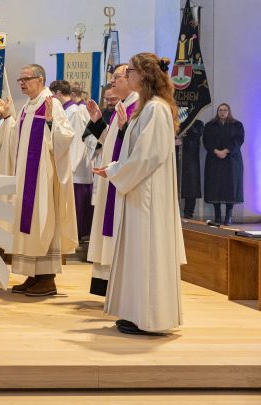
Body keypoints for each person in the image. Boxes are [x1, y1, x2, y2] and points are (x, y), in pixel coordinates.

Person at [93, 53, 186, 335]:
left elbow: (148, 156)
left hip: (147, 195)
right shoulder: (145, 108)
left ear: (144, 75)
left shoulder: (156, 109)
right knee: (136, 253)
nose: (126, 75)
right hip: (136, 191)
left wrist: (117, 171)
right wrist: (115, 167)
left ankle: (150, 318)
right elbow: (136, 152)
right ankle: (136, 313)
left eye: (130, 70)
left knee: (146, 252)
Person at [0, 64, 77, 297]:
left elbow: (66, 137)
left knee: (43, 221)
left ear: (40, 79)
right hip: (27, 177)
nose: (22, 83)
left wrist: (49, 122)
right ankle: (33, 275)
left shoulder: (51, 103)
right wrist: (8, 117)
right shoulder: (29, 106)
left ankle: (47, 278)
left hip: (43, 179)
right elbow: (15, 139)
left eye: (26, 79)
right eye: (20, 79)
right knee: (30, 224)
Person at [84, 64, 138, 296]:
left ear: (130, 78)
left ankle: (119, 289)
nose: (113, 81)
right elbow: (111, 143)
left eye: (117, 77)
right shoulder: (121, 107)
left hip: (124, 183)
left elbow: (136, 147)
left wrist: (126, 129)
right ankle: (107, 287)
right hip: (111, 178)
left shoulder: (139, 107)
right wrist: (97, 120)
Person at [51, 80, 95, 244]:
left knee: (76, 210)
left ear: (56, 93)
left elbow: (77, 141)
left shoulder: (74, 112)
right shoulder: (67, 110)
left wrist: (70, 167)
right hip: (68, 166)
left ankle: (75, 238)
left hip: (75, 169)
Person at [203, 103, 244, 225]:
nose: (222, 112)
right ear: (217, 111)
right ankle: (217, 216)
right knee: (215, 187)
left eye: (225, 110)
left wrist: (226, 151)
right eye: (220, 110)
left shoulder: (237, 125)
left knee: (230, 187)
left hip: (231, 160)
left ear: (229, 111)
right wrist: (216, 151)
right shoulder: (210, 126)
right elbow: (206, 140)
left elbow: (239, 140)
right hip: (214, 160)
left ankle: (228, 216)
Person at [177, 120, 203, 219]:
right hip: (176, 158)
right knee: (175, 186)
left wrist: (187, 125)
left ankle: (189, 213)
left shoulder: (197, 123)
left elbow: (197, 134)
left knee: (192, 188)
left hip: (191, 159)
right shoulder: (174, 120)